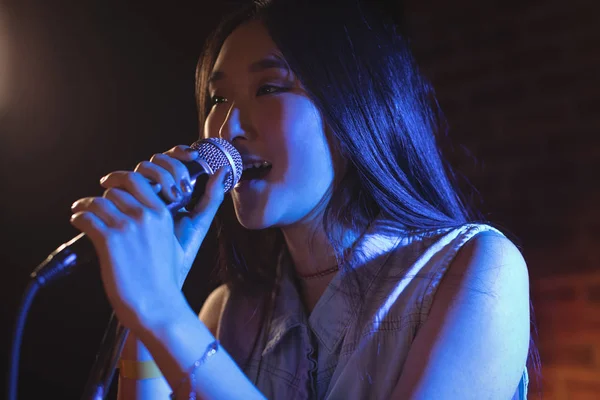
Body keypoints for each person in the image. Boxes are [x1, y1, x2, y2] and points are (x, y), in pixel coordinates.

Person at [69, 0, 533, 398]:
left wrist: (166, 315)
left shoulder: (475, 268)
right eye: (216, 99)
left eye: (268, 88)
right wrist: (150, 314)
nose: (226, 129)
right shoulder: (227, 314)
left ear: (352, 109)